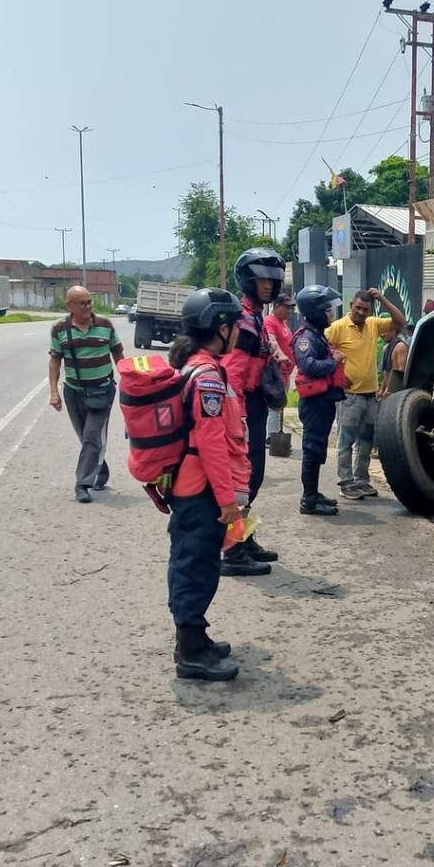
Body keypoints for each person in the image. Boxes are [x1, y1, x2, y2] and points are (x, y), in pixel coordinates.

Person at [165, 288, 252, 681]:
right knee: (196, 567)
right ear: (221, 327)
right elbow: (212, 444)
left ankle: (195, 638)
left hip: (193, 487)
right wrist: (227, 501)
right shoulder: (208, 377)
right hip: (200, 489)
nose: (237, 332)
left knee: (195, 563)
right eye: (234, 325)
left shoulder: (200, 367)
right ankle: (190, 654)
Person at [221, 247, 285, 574]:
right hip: (243, 406)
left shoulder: (255, 315)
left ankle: (245, 539)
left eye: (272, 280)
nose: (268, 285)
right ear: (248, 280)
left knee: (252, 479)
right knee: (244, 481)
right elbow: (232, 372)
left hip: (254, 404)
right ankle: (232, 553)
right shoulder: (245, 321)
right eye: (261, 279)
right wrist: (238, 418)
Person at [326, 288, 405, 499]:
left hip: (370, 395)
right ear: (351, 305)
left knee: (366, 441)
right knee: (346, 441)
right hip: (349, 395)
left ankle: (361, 479)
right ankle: (346, 482)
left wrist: (382, 299)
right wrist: (337, 371)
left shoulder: (372, 324)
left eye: (366, 309)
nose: (361, 312)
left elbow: (400, 321)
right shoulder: (338, 327)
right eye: (358, 308)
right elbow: (322, 347)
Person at [48, 285, 124, 503]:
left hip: (102, 390)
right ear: (69, 305)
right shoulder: (59, 328)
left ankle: (82, 484)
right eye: (82, 303)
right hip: (74, 392)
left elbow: (118, 353)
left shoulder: (105, 325)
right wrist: (54, 392)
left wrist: (130, 378)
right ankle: (100, 472)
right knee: (86, 437)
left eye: (89, 302)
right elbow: (55, 360)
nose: (88, 307)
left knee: (92, 437)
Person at [292, 285, 347, 516]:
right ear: (314, 311)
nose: (331, 314)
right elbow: (308, 365)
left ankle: (313, 493)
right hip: (314, 404)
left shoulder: (316, 334)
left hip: (323, 401)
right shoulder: (305, 338)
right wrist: (333, 362)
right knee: (312, 449)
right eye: (326, 309)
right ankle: (309, 500)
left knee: (318, 448)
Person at [263, 293, 296, 443]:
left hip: (285, 373)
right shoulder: (270, 322)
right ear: (276, 306)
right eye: (286, 307)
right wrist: (281, 355)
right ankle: (271, 436)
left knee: (280, 404)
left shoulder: (284, 324)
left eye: (291, 308)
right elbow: (272, 340)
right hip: (275, 372)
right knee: (274, 405)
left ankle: (275, 434)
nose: (289, 311)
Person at [377, 319, 409, 400]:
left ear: (393, 331)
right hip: (387, 391)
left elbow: (401, 371)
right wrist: (382, 390)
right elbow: (386, 372)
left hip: (396, 391)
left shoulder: (400, 346)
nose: (382, 335)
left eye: (385, 331)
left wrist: (391, 390)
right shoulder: (386, 348)